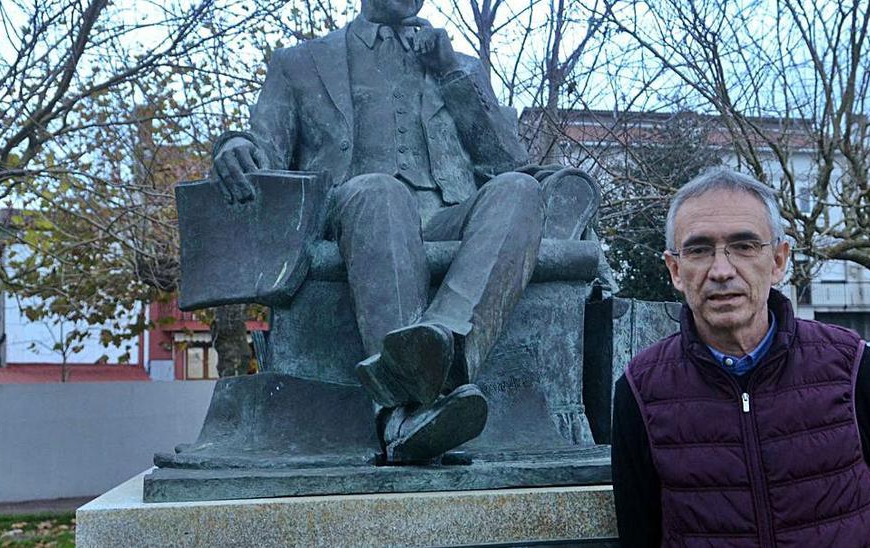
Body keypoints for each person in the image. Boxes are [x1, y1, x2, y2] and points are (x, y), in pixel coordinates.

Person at [210, 0, 596, 463]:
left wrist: (452, 74)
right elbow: (266, 150)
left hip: (449, 216)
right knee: (380, 191)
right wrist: (233, 145)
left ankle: (442, 352)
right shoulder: (299, 63)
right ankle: (403, 404)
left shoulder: (461, 66)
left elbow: (507, 163)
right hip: (353, 213)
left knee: (519, 190)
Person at [610, 168, 870, 547]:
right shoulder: (641, 389)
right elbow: (639, 535)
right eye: (699, 249)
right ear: (675, 269)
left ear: (779, 261)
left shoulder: (852, 367)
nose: (721, 270)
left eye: (745, 246)